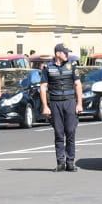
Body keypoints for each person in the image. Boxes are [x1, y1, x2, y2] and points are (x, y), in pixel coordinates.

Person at [40, 43, 83, 172]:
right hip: (55, 103)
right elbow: (43, 87)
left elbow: (77, 85)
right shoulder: (48, 67)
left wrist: (79, 103)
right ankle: (60, 162)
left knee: (70, 132)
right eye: (65, 52)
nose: (67, 54)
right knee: (59, 133)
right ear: (58, 53)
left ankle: (70, 162)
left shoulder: (72, 66)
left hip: (69, 102)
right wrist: (45, 106)